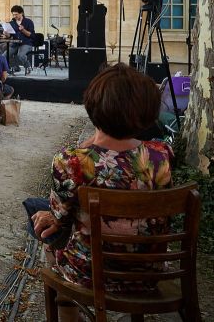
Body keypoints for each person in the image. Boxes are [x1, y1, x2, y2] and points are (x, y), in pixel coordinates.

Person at [30, 65, 173, 320]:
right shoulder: (161, 155)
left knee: (39, 214)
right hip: (148, 270)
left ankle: (68, 313)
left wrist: (91, 143)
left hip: (90, 273)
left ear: (93, 105)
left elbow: (60, 218)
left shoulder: (71, 162)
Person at [6, 5, 36, 73]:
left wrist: (23, 30)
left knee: (20, 55)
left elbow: (32, 35)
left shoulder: (28, 22)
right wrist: (6, 34)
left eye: (16, 14)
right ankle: (15, 67)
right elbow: (10, 35)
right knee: (4, 55)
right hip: (15, 43)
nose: (14, 16)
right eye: (13, 15)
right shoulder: (12, 22)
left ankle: (28, 67)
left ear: (21, 13)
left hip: (26, 43)